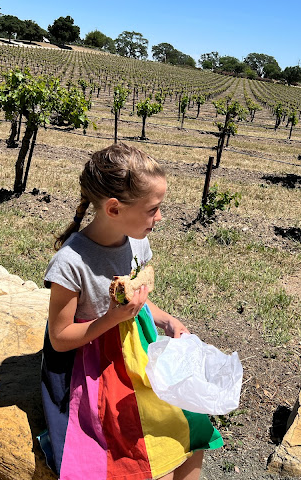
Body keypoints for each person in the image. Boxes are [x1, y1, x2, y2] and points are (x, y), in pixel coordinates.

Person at [41, 143, 223, 480]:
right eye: (153, 209)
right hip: (96, 363)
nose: (160, 217)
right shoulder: (71, 262)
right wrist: (110, 319)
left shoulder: (136, 240)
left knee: (192, 427)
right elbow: (61, 338)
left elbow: (137, 302)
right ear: (113, 209)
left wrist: (166, 319)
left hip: (138, 346)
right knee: (146, 455)